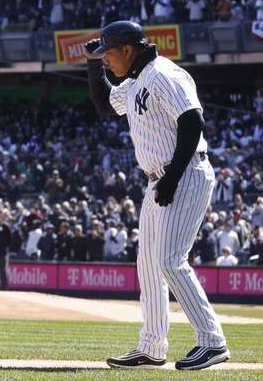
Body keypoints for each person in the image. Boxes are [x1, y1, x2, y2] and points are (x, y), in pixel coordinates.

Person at [86, 20, 228, 370]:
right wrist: (91, 63)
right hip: (159, 179)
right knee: (149, 266)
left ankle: (212, 341)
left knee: (170, 260)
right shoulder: (136, 82)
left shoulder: (164, 73)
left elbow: (192, 122)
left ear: (128, 50)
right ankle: (152, 347)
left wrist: (171, 177)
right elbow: (105, 106)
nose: (106, 60)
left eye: (108, 54)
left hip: (185, 172)